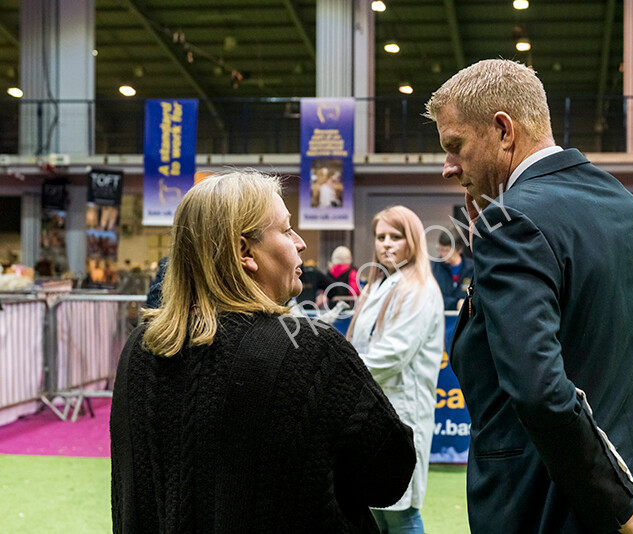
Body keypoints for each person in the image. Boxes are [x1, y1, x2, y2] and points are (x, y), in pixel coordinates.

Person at [424, 59, 633, 534]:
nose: (449, 167)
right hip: (621, 489)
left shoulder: (510, 224)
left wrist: (619, 500)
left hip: (543, 504)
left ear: (503, 130)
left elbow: (540, 392)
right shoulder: (623, 204)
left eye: (455, 146)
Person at [110, 170, 416, 533]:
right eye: (286, 230)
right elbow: (389, 475)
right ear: (245, 252)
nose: (300, 242)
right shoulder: (309, 349)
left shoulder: (141, 349)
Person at [346, 206, 444, 534]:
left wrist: (343, 376)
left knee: (400, 514)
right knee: (374, 512)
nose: (386, 244)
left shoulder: (420, 290)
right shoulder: (377, 287)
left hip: (401, 412)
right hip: (372, 411)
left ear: (413, 241)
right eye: (380, 236)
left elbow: (392, 355)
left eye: (396, 236)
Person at [431, 226, 474, 310]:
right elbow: (431, 298)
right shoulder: (432, 268)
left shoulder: (473, 269)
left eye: (447, 250)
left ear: (459, 249)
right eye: (440, 249)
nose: (442, 254)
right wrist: (456, 303)